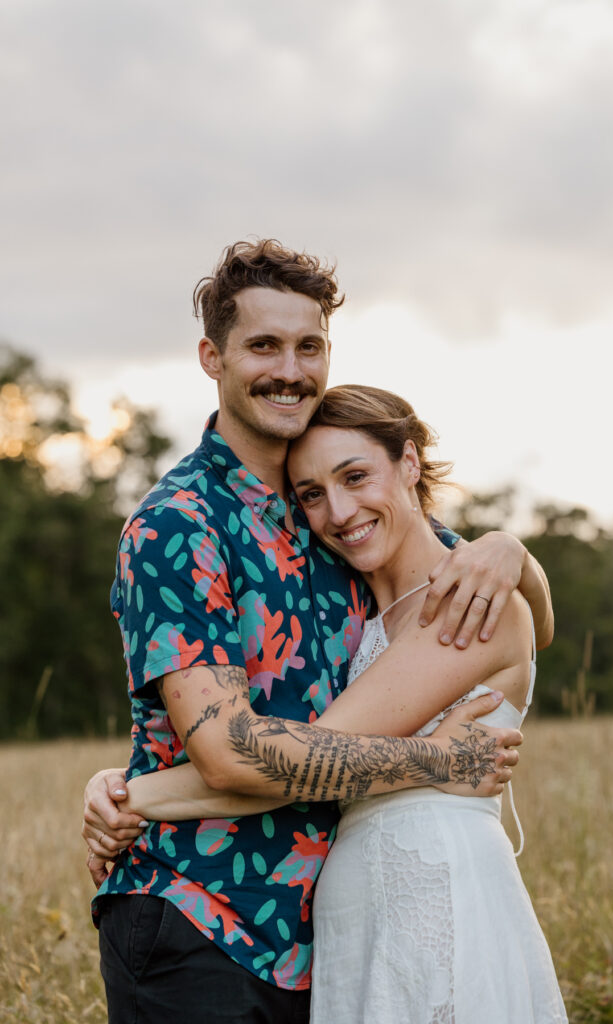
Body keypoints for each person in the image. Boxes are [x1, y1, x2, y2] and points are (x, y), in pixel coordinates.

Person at [83, 239, 553, 1024]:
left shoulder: (333, 528)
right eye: (262, 345)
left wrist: (512, 552)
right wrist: (433, 761)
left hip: (320, 936)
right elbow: (231, 754)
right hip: (199, 916)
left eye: (309, 347)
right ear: (212, 356)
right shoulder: (179, 527)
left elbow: (502, 610)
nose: (289, 369)